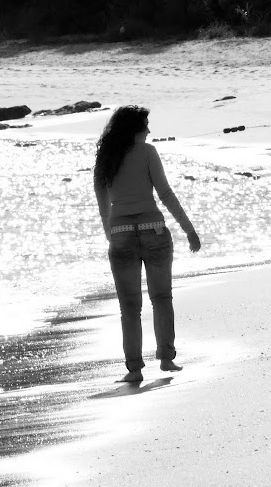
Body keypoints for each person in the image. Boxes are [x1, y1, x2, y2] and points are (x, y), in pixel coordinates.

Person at [93, 105, 201, 383]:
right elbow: (164, 193)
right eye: (145, 125)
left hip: (121, 232)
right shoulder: (147, 152)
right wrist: (189, 230)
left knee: (129, 306)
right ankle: (166, 359)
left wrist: (112, 233)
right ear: (135, 129)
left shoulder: (105, 157)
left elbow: (103, 205)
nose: (149, 131)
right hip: (154, 230)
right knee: (161, 297)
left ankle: (135, 369)